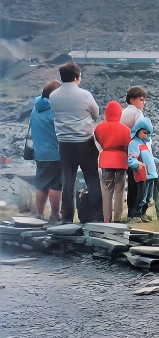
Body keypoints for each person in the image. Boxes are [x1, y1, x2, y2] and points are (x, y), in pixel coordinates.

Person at [48, 62, 101, 223]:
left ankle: (67, 218)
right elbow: (96, 113)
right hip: (85, 142)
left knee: (68, 182)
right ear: (77, 77)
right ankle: (98, 217)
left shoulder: (53, 96)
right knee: (92, 180)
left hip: (65, 144)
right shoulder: (84, 94)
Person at [29, 80, 62, 222]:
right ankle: (55, 215)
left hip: (40, 153)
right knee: (56, 185)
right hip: (55, 154)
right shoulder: (53, 112)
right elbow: (60, 132)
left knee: (41, 184)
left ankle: (39, 214)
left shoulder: (35, 109)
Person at [94, 101, 131, 223]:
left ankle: (106, 218)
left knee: (106, 189)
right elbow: (128, 145)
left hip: (106, 161)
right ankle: (117, 218)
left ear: (106, 113)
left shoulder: (99, 128)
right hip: (121, 161)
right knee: (119, 190)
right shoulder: (126, 130)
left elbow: (99, 140)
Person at [127, 117, 159, 221]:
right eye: (144, 132)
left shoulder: (144, 144)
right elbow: (131, 159)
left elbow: (149, 157)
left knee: (148, 196)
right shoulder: (134, 144)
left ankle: (143, 213)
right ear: (137, 130)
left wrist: (157, 161)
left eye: (148, 133)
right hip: (142, 175)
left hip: (151, 174)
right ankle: (136, 215)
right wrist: (138, 164)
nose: (146, 135)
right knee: (140, 195)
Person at [120, 86, 147, 220]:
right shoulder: (137, 113)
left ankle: (130, 212)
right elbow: (140, 133)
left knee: (130, 182)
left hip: (124, 151)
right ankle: (137, 213)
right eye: (141, 99)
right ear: (132, 100)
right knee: (139, 182)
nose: (143, 102)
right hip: (136, 152)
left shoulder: (122, 113)